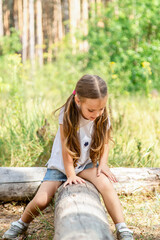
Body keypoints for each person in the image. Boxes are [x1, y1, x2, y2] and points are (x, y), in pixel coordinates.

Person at [3, 74, 134, 240]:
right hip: (61, 165)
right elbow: (65, 149)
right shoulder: (67, 114)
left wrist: (103, 163)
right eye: (91, 110)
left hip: (85, 164)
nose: (97, 114)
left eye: (101, 109)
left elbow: (106, 141)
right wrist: (70, 174)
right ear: (78, 101)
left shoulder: (102, 114)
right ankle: (21, 224)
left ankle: (122, 228)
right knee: (42, 200)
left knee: (106, 185)